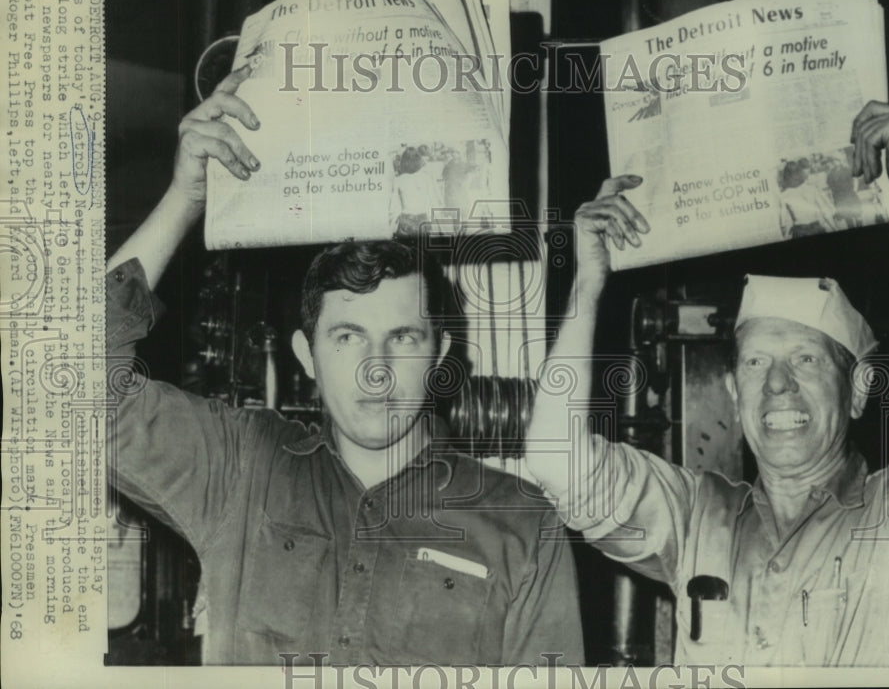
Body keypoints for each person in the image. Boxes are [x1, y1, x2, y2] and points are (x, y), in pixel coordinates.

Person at [105, 66, 584, 666]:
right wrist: (185, 199)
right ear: (307, 356)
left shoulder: (524, 528)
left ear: (439, 356)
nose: (375, 370)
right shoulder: (241, 467)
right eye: (348, 337)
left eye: (403, 337)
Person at [525, 102, 889, 667]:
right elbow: (553, 459)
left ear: (859, 388)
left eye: (807, 360)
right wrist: (589, 281)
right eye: (757, 364)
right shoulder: (697, 516)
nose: (779, 385)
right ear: (735, 394)